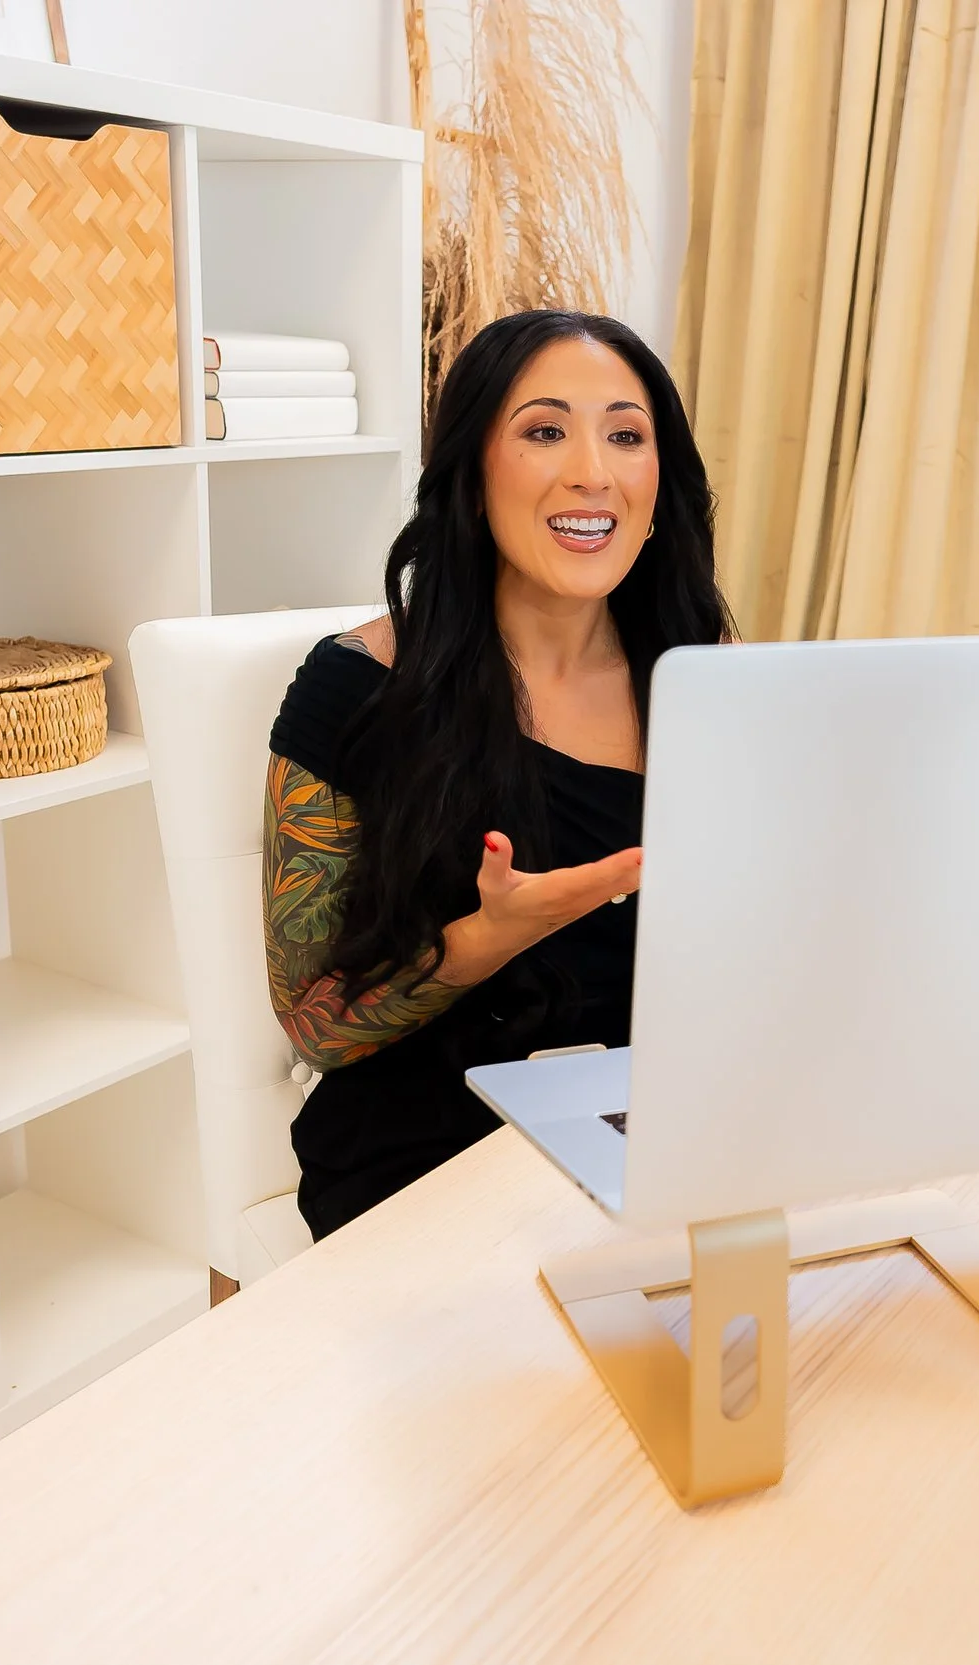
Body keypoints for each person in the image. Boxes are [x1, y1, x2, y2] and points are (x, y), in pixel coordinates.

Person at [262, 310, 733, 1238]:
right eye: (545, 431)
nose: (592, 471)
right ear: (474, 474)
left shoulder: (705, 674)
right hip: (434, 1143)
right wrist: (489, 937)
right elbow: (316, 1024)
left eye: (626, 436)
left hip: (657, 1118)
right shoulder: (356, 689)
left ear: (658, 481)